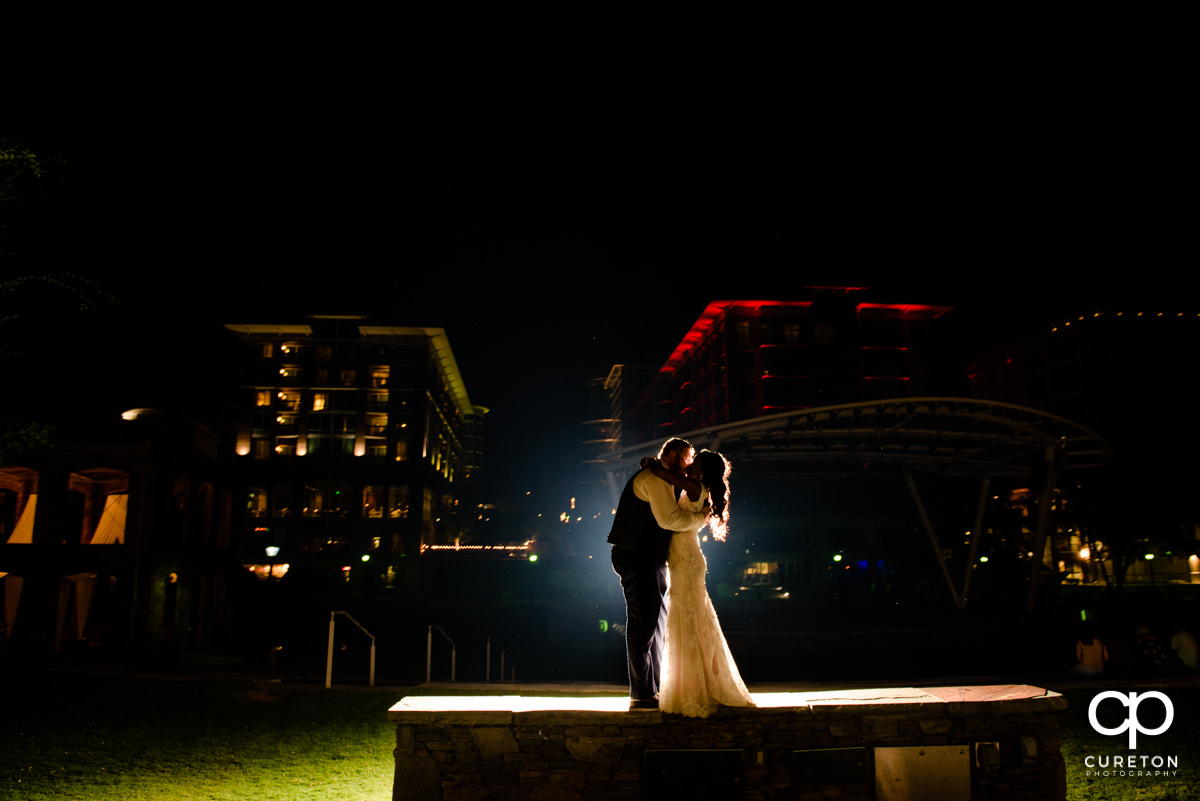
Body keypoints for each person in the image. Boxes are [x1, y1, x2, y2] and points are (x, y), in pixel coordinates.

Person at [644, 449, 755, 717]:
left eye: (696, 461)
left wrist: (651, 464)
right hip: (686, 558)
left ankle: (693, 688)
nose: (690, 463)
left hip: (686, 560)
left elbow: (661, 473)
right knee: (692, 619)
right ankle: (699, 684)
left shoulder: (695, 486)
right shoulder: (699, 487)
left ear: (702, 470)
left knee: (688, 619)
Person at [608, 438, 709, 709]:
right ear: (674, 456)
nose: (689, 464)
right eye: (687, 458)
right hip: (636, 554)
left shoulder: (664, 478)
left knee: (654, 622)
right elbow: (668, 520)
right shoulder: (654, 479)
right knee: (644, 620)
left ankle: (652, 689)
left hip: (649, 556)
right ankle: (640, 693)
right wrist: (701, 521)